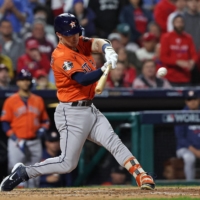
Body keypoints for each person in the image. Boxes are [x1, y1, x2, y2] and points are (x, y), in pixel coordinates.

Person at [0, 13, 155, 191]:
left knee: (114, 142)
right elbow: (83, 79)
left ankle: (141, 175)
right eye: (69, 34)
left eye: (76, 32)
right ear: (59, 34)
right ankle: (24, 172)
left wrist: (108, 50)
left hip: (90, 108)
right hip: (71, 113)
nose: (74, 37)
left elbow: (97, 42)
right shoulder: (60, 55)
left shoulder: (78, 41)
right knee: (67, 164)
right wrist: (104, 68)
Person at [0, 69, 50, 188]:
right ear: (17, 82)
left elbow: (46, 120)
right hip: (17, 142)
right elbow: (5, 123)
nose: (25, 83)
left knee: (35, 173)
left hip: (34, 141)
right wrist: (14, 138)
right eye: (22, 80)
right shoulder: (10, 101)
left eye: (27, 80)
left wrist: (42, 129)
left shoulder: (38, 100)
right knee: (15, 172)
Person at [160, 15, 198, 86]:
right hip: (170, 77)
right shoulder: (166, 37)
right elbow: (163, 57)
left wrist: (192, 61)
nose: (179, 24)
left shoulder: (188, 38)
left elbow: (194, 54)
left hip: (186, 76)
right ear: (173, 24)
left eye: (181, 22)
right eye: (177, 22)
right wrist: (177, 62)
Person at [175, 90, 200, 180]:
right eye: (189, 99)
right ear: (186, 101)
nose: (192, 102)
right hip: (185, 149)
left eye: (194, 99)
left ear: (198, 100)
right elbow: (181, 139)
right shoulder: (181, 115)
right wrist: (196, 151)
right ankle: (190, 184)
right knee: (190, 158)